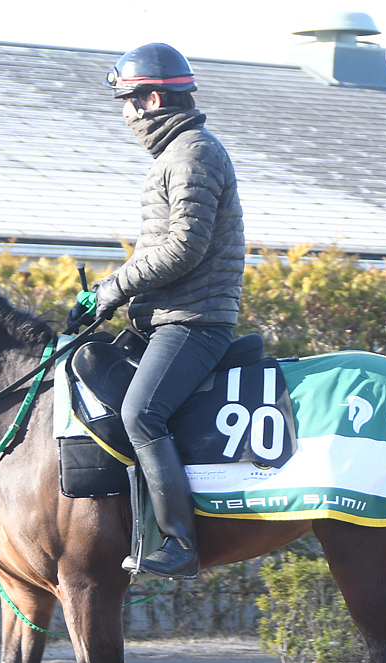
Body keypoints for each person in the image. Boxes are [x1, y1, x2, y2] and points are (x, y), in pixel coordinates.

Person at [72, 42, 245, 579]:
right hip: (167, 319)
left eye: (127, 101)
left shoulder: (194, 154)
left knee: (140, 413)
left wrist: (111, 290)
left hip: (194, 323)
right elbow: (157, 252)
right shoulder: (175, 157)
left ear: (152, 100)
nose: (123, 114)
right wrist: (109, 293)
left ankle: (180, 542)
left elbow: (183, 250)